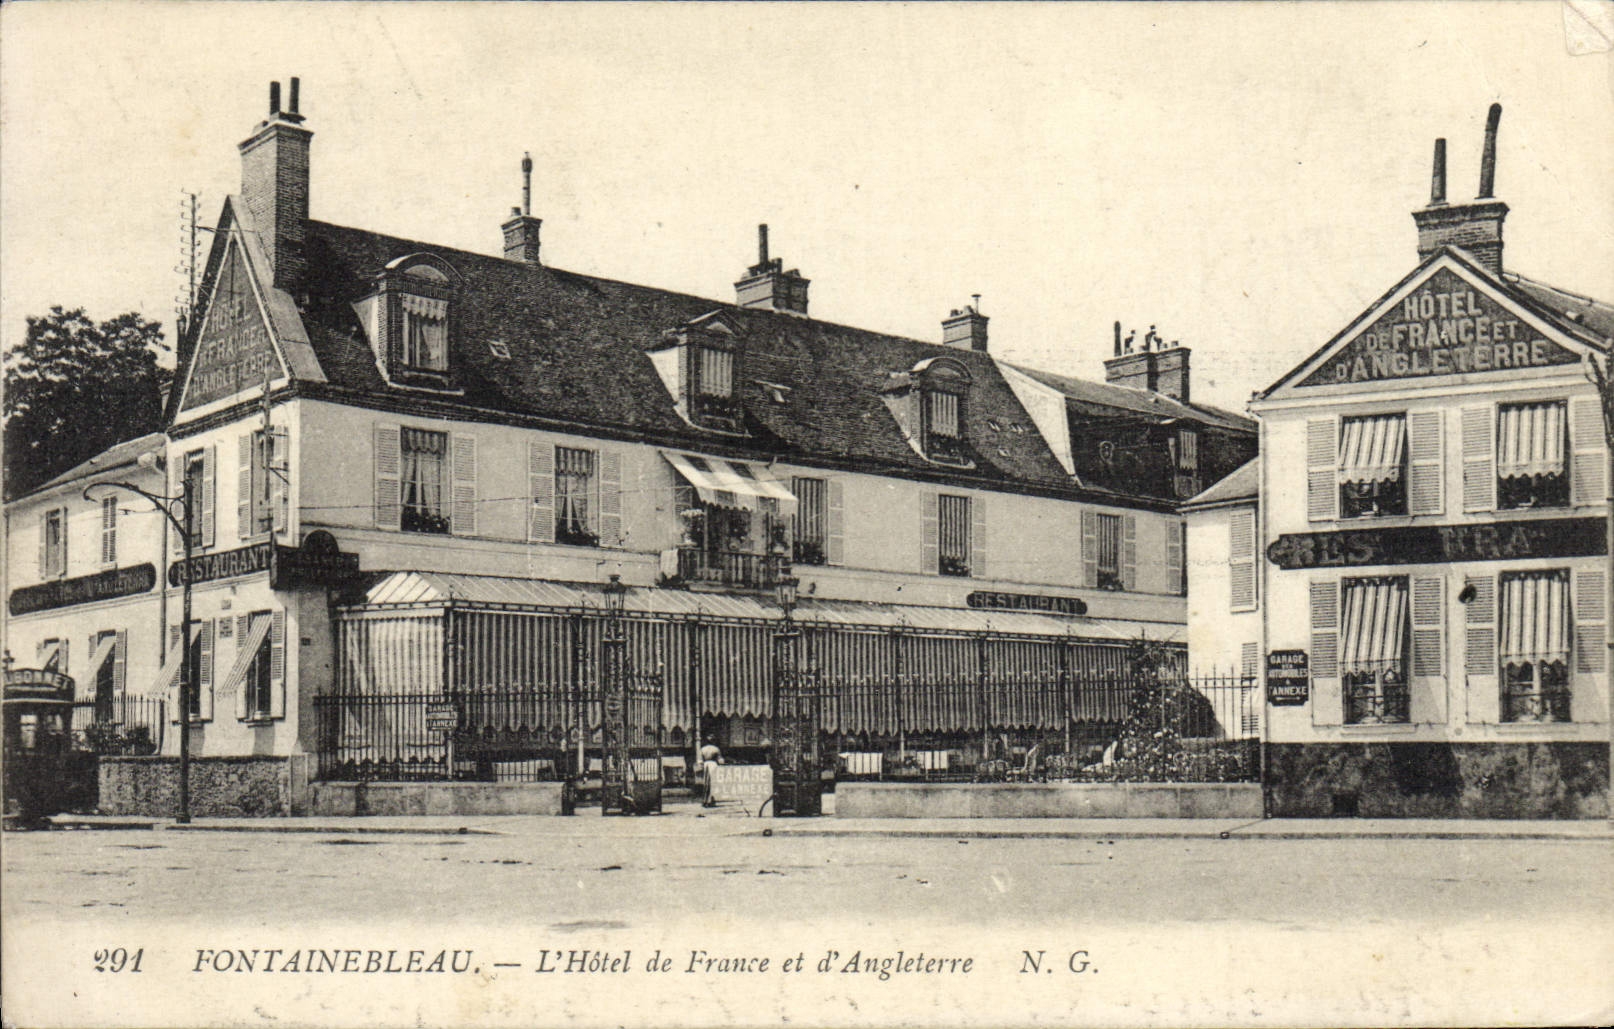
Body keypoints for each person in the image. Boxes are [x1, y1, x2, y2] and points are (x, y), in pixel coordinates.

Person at [699, 739, 722, 807]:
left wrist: (701, 767)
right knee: (713, 783)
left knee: (706, 783)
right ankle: (711, 800)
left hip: (706, 764)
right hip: (713, 765)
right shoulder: (716, 749)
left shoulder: (703, 749)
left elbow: (700, 760)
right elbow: (720, 760)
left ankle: (705, 801)